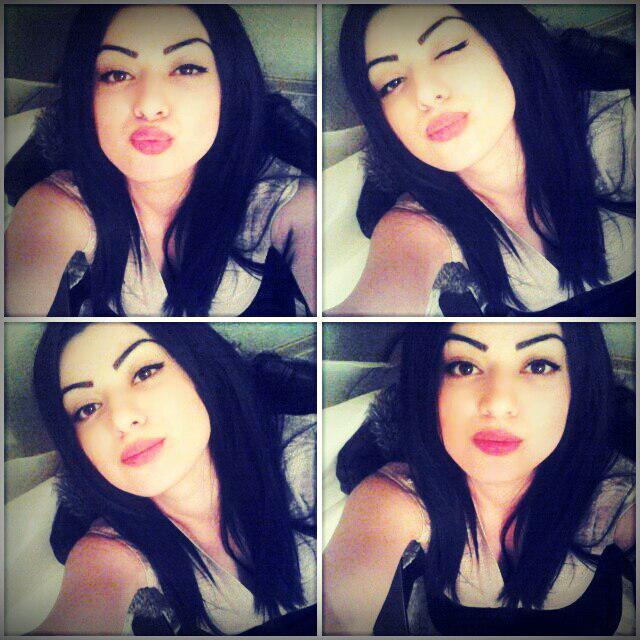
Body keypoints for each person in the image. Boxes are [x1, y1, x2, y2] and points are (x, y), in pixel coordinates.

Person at [323, 322, 635, 635]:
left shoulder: (617, 494)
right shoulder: (396, 497)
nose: (497, 404)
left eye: (538, 366)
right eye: (464, 367)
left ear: (578, 386)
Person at [5, 5, 316, 317]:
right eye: (117, 74)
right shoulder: (57, 206)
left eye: (187, 69)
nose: (149, 105)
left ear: (229, 89)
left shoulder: (286, 199)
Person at [329, 5, 634, 316]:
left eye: (449, 49)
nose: (425, 95)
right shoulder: (416, 224)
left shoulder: (618, 129)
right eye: (392, 83)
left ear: (505, 45)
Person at [29, 322, 316, 634]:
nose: (121, 418)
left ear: (200, 369)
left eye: (144, 373)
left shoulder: (305, 456)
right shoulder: (108, 552)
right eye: (87, 408)